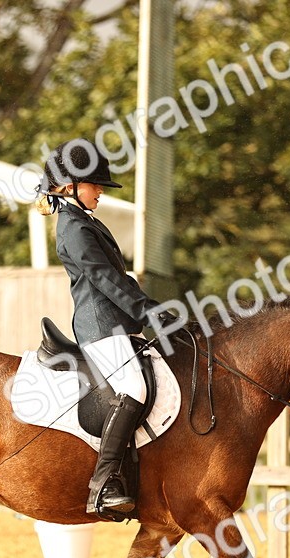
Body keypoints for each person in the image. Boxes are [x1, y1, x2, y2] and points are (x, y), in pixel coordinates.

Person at [35, 138, 175, 519]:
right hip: (101, 327)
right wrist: (147, 313)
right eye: (94, 185)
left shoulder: (85, 221)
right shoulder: (74, 227)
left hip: (117, 323)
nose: (100, 192)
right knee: (134, 387)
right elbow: (103, 280)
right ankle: (104, 482)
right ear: (69, 187)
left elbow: (120, 279)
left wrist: (152, 309)